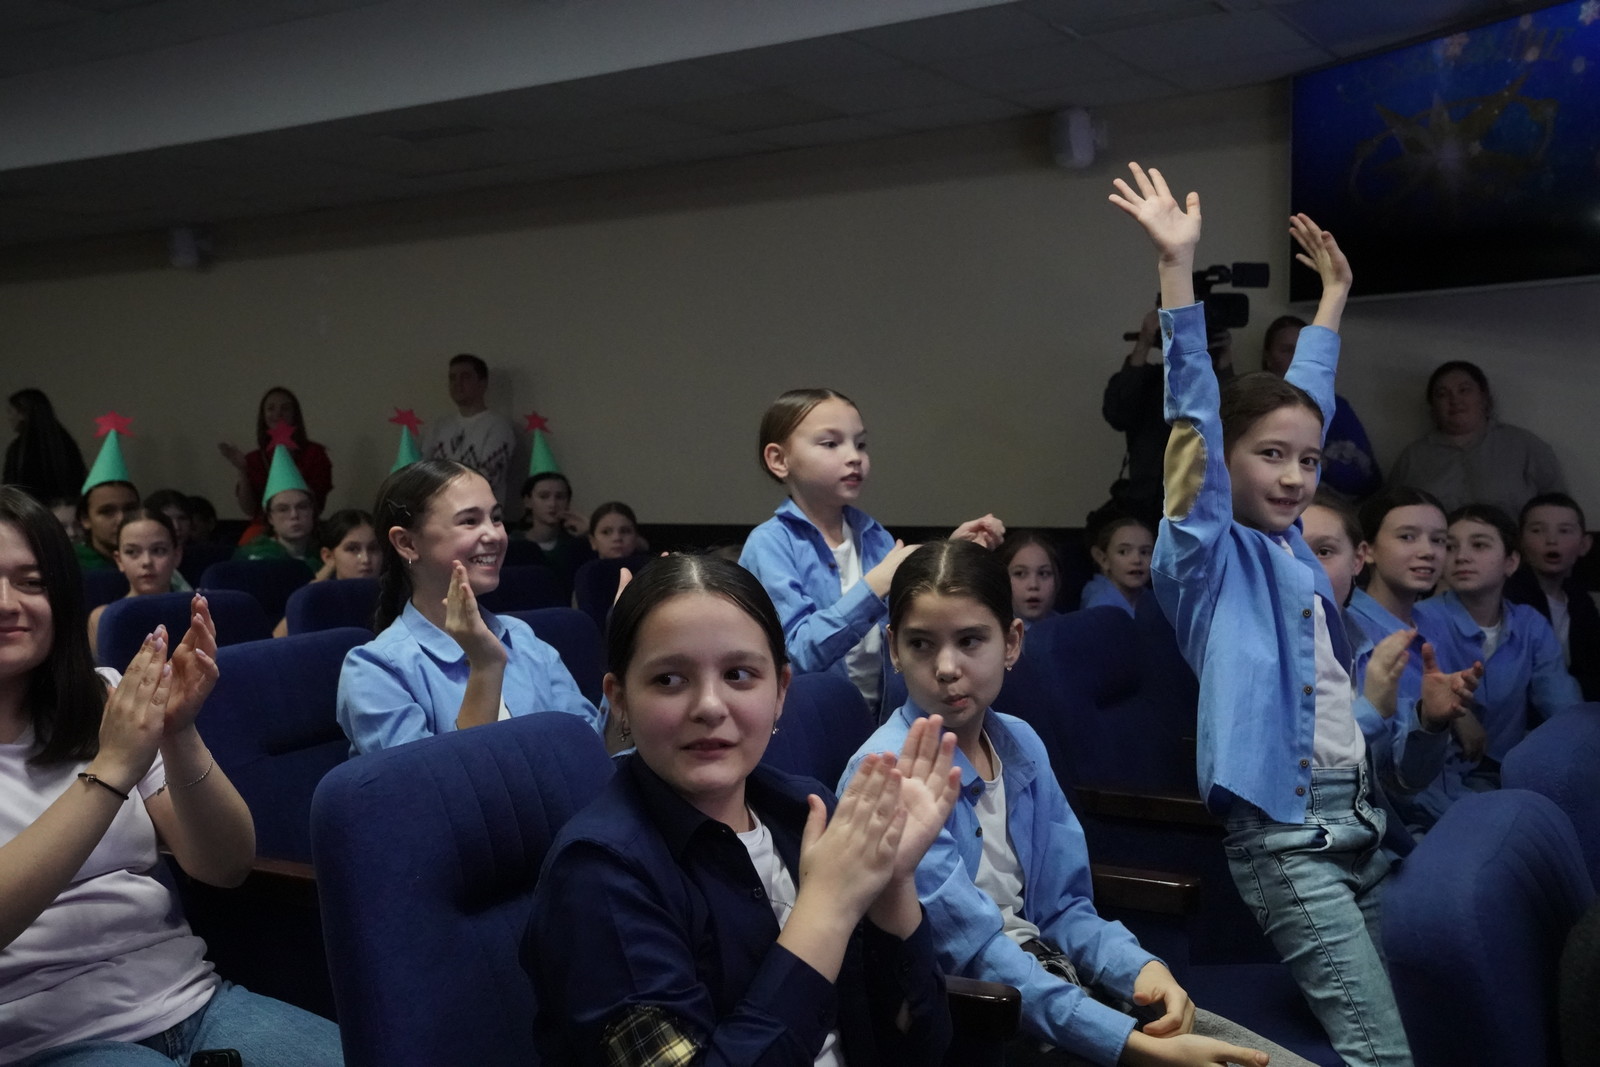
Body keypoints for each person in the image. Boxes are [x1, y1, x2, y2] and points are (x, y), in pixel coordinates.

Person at [1111, 163, 1480, 1065]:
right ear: (1224, 464)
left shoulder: (1295, 551)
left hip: (1361, 821)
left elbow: (1302, 406)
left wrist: (1334, 300)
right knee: (1381, 1053)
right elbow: (1195, 423)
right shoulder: (1203, 555)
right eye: (1269, 457)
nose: (1293, 476)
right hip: (1289, 841)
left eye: (1308, 462)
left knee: (1425, 1025)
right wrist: (1175, 271)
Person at [844, 539, 1322, 1066]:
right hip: (978, 1019)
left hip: (1053, 984)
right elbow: (975, 956)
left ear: (1011, 642)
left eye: (970, 640)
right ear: (893, 649)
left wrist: (1140, 967)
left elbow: (1063, 907)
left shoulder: (1019, 743)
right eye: (921, 644)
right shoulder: (887, 773)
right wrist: (1132, 1047)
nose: (946, 667)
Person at [525, 552, 957, 1066]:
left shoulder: (806, 811)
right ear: (619, 699)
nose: (710, 706)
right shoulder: (598, 874)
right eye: (669, 680)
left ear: (780, 692)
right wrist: (827, 907)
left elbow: (917, 1047)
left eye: (738, 674)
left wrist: (892, 885)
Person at [0, 486, 342, 1065]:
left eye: (32, 583)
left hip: (193, 1000)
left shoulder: (108, 695)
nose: (7, 602)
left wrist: (178, 732)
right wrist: (112, 770)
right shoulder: (116, 737)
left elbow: (225, 865)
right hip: (44, 1038)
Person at [739, 388, 1005, 710]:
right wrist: (874, 586)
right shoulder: (769, 544)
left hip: (885, 716)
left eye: (860, 444)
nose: (854, 457)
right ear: (779, 460)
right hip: (813, 720)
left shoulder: (874, 535)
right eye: (831, 443)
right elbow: (793, 656)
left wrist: (950, 552)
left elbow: (914, 614)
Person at [336, 459, 602, 755]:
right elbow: (438, 780)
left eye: (496, 518)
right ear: (407, 543)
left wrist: (629, 653)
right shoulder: (374, 670)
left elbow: (591, 748)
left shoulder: (521, 637)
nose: (495, 535)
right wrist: (485, 666)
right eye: (470, 521)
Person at [1407, 504, 1582, 829]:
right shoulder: (1420, 619)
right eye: (1450, 546)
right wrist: (1457, 713)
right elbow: (1406, 706)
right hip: (1434, 788)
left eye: (1479, 545)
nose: (1461, 557)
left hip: (1507, 778)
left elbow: (1563, 707)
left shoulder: (1529, 624)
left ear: (1511, 562)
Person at [1099, 308, 1234, 534]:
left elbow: (1228, 420)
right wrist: (1144, 342)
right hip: (1146, 499)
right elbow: (1117, 414)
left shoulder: (1211, 385)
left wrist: (1223, 360)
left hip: (1204, 501)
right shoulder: (1150, 381)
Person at [1388, 360, 1564, 517]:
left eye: (1464, 390)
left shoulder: (1524, 446)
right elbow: (1390, 515)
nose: (1454, 400)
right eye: (1442, 394)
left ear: (1484, 397)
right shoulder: (1413, 457)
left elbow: (1560, 512)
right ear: (1433, 407)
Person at [1260, 317, 1379, 501]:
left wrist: (1317, 463)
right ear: (1268, 358)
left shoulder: (1337, 408)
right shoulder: (1253, 406)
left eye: (1303, 351)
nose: (1297, 358)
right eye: (1287, 350)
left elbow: (1367, 480)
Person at [1505, 493, 1600, 701]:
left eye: (1564, 531)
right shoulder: (1507, 598)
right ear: (1520, 542)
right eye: (1537, 530)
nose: (1551, 540)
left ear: (1584, 545)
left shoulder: (1581, 601)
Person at [217, 388, 332, 525]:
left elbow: (318, 505)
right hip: (264, 529)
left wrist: (288, 464)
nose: (278, 413)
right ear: (263, 415)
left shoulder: (314, 453)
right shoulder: (254, 459)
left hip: (303, 527)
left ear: (295, 414)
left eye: (285, 408)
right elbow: (249, 509)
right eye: (271, 408)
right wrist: (242, 470)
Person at [87, 510, 187, 662]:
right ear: (119, 560)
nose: (146, 561)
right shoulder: (102, 618)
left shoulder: (197, 612)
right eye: (132, 552)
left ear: (177, 555)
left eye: (158, 550)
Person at [269, 510, 380, 638]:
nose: (365, 559)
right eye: (352, 549)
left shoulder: (394, 594)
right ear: (328, 556)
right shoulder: (317, 599)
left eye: (373, 548)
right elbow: (275, 641)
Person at [426, 354, 516, 506]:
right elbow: (425, 473)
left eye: (465, 377)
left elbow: (486, 480)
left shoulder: (498, 426)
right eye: (452, 378)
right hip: (440, 513)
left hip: (480, 514)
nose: (457, 383)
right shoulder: (439, 426)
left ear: (482, 383)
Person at [4, 389, 86, 508]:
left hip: (32, 511)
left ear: (22, 413)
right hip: (67, 508)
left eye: (11, 412)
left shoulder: (19, 449)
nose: (9, 417)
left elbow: (12, 488)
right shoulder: (63, 441)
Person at [521, 472, 594, 583]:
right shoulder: (511, 544)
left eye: (560, 497)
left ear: (568, 502)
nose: (552, 504)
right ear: (528, 501)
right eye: (544, 496)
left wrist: (590, 533)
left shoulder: (577, 545)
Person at [1080, 516, 1154, 617]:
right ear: (1103, 559)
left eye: (1144, 552)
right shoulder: (1100, 604)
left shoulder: (1150, 597)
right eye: (1123, 552)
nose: (1137, 560)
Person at [75, 481, 141, 574]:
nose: (121, 519)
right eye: (107, 511)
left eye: (130, 509)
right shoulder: (72, 567)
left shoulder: (155, 560)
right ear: (86, 519)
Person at [999, 531, 1061, 628]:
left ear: (1057, 580)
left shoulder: (1072, 631)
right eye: (1020, 573)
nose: (1033, 585)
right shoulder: (990, 632)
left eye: (1043, 573)